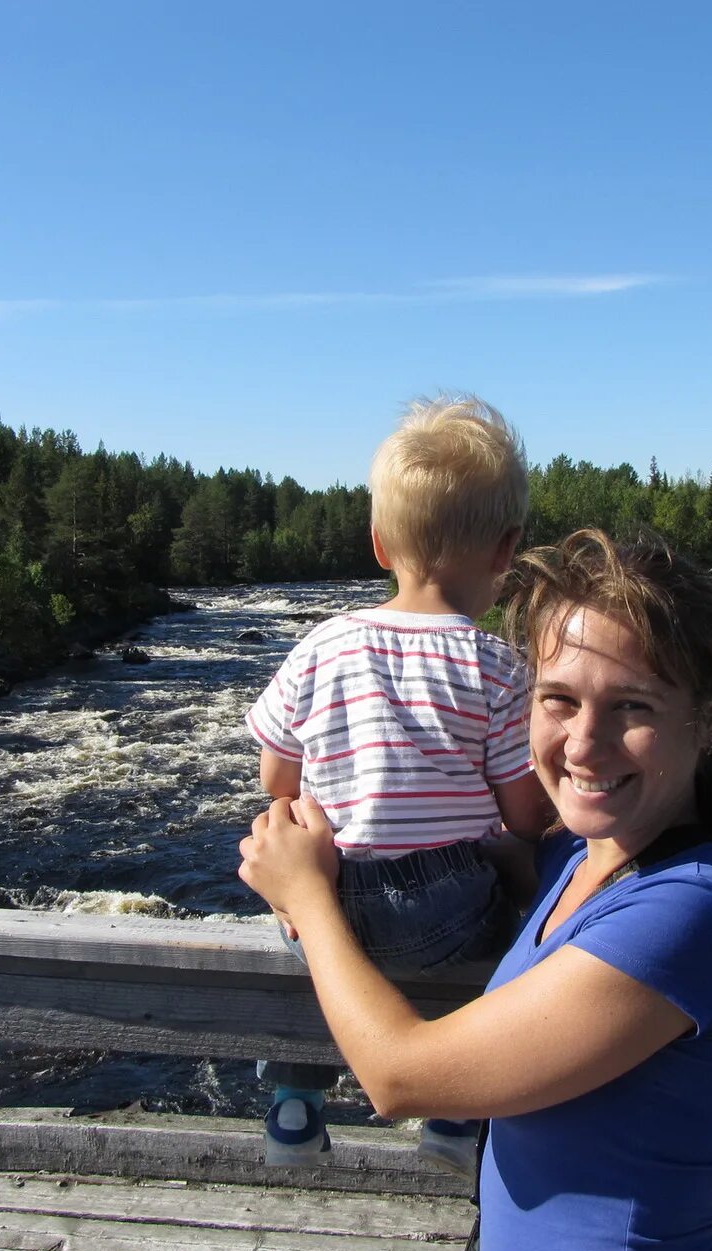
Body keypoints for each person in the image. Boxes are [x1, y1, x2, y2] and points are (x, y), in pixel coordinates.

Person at [240, 528, 712, 1251]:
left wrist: (310, 898)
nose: (584, 744)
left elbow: (399, 1077)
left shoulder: (695, 913)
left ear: (708, 715)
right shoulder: (579, 858)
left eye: (633, 706)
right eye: (559, 698)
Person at [244, 395, 550, 1170]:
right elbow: (522, 812)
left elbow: (277, 781)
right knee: (517, 929)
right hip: (448, 896)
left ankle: (293, 1101)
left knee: (314, 947)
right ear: (505, 549)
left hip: (336, 888)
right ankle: (456, 1110)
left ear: (381, 545)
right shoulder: (497, 666)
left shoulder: (320, 646)